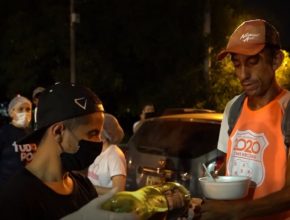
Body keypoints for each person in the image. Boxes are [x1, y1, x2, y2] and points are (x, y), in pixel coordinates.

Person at [0, 82, 136, 220]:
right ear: (58, 131)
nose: (99, 141)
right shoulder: (15, 197)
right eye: (93, 133)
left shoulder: (84, 185)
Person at [200, 19, 290, 220]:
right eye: (237, 64)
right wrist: (214, 188)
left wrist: (236, 212)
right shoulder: (234, 107)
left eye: (252, 62)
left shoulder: (287, 109)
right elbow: (229, 165)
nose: (242, 75)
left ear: (276, 60)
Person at [0, 95, 36, 186]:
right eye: (20, 109)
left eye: (28, 109)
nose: (25, 112)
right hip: (8, 186)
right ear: (12, 112)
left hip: (29, 185)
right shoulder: (4, 132)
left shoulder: (32, 133)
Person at [88, 113, 127, 195]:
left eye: (95, 132)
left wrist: (90, 188)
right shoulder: (98, 152)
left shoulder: (114, 155)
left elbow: (118, 191)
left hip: (104, 206)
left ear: (104, 136)